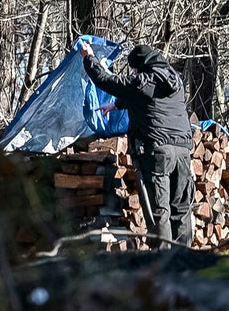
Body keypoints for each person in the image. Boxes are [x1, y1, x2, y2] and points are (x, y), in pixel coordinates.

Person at [80, 42, 194, 249]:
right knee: (181, 207)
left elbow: (108, 81)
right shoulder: (174, 79)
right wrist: (116, 105)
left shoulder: (143, 80)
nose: (132, 72)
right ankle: (184, 259)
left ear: (140, 66)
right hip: (183, 150)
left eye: (133, 68)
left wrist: (89, 58)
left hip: (157, 150)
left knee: (159, 210)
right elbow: (148, 98)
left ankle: (163, 260)